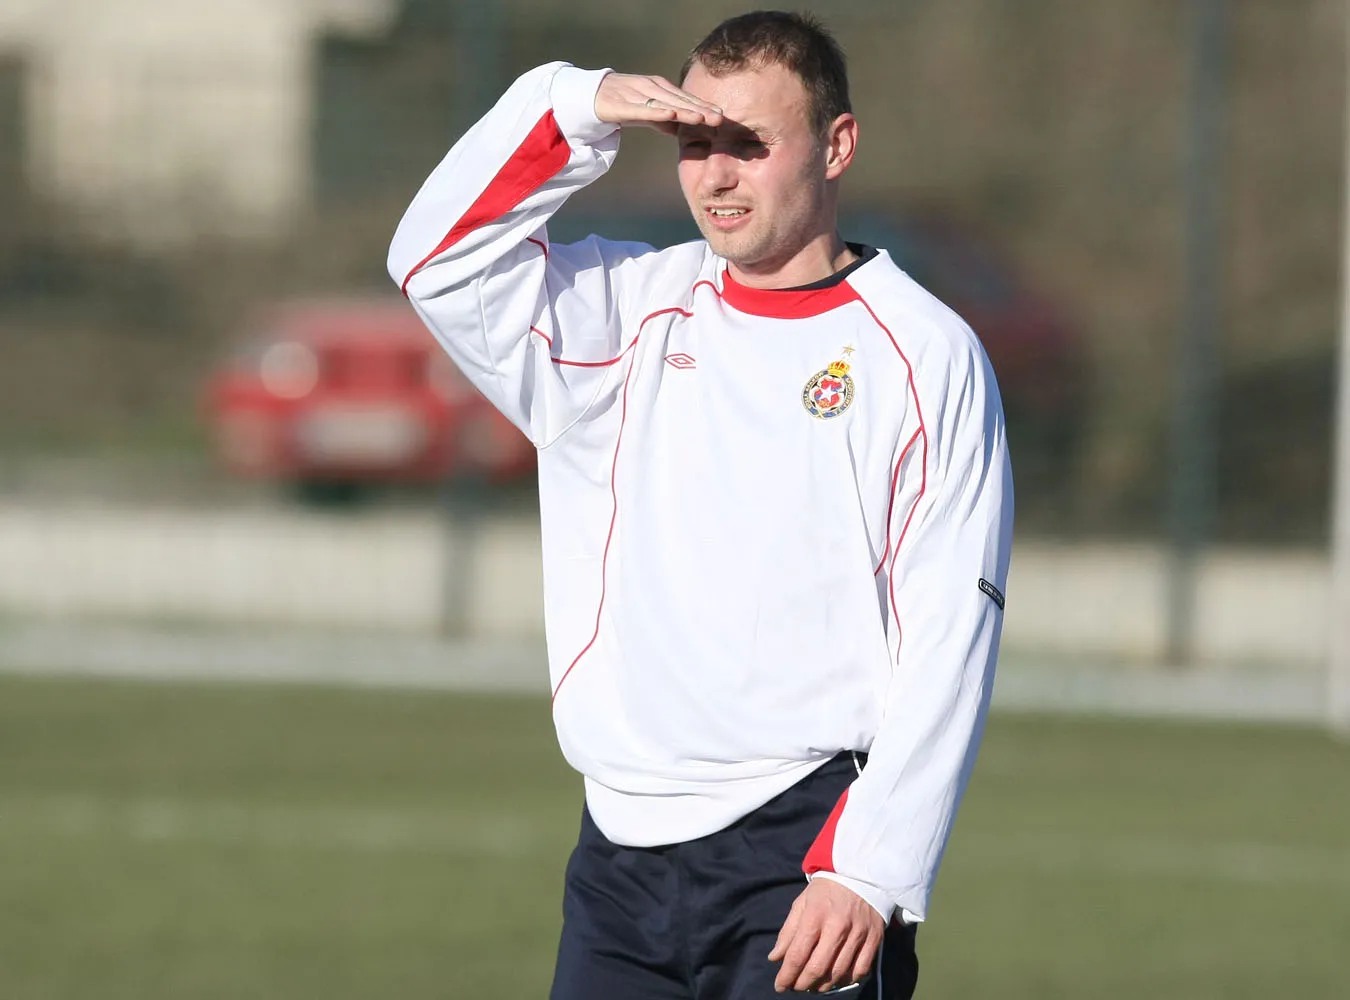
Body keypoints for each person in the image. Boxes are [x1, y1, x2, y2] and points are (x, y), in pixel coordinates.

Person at [388, 10, 1013, 998]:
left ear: (837, 145)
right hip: (619, 861)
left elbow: (953, 626)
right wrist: (572, 104)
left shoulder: (924, 352)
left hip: (804, 854)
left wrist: (870, 866)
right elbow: (437, 262)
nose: (716, 175)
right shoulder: (623, 309)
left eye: (749, 144)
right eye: (694, 143)